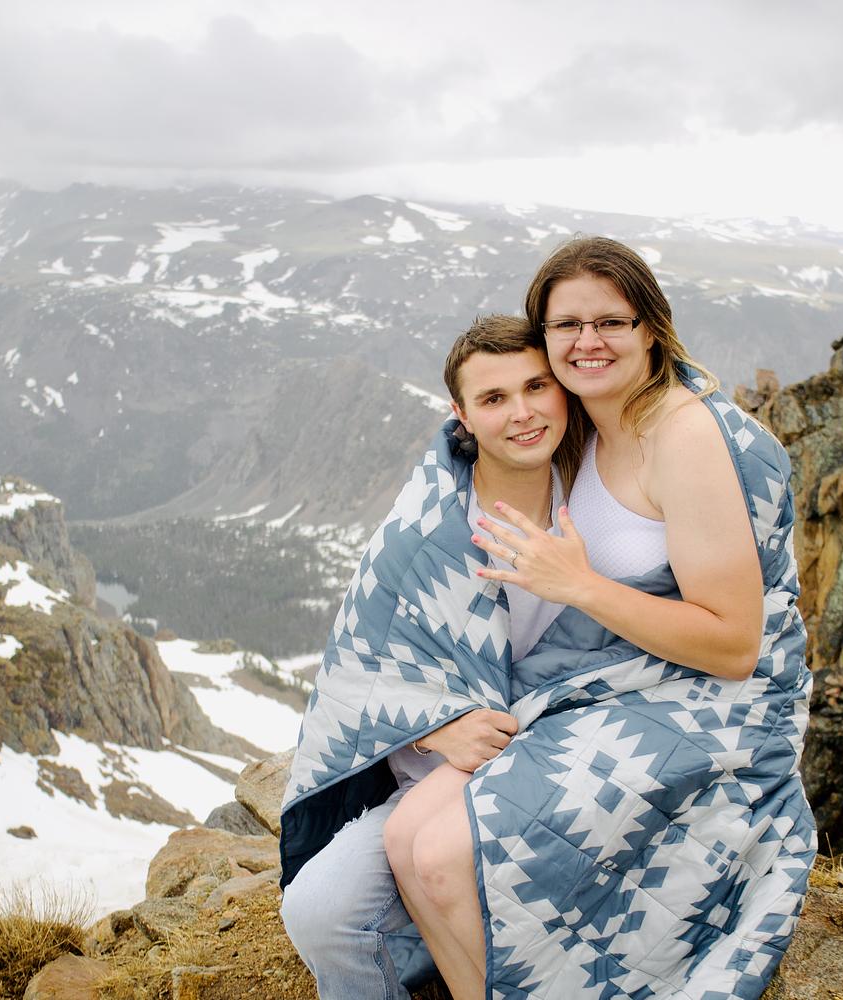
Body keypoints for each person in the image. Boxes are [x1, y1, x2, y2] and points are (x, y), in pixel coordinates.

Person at [382, 236, 815, 999]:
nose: (588, 341)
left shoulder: (682, 436)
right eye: (567, 325)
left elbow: (735, 645)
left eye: (610, 321)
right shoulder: (583, 422)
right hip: (613, 676)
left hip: (706, 695)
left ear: (650, 327)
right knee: (405, 835)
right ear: (544, 338)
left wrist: (579, 586)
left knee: (447, 852)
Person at [279, 314, 580, 999]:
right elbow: (351, 674)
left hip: (562, 768)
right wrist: (432, 729)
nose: (523, 412)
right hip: (437, 786)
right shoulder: (420, 534)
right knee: (320, 914)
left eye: (537, 386)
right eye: (494, 398)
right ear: (462, 415)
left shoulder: (600, 500)